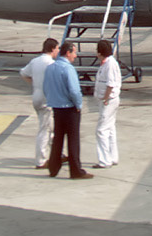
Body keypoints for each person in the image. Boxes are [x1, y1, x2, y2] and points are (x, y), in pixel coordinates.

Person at [43, 42, 93, 179]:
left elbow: (46, 88)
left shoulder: (50, 68)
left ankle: (53, 168)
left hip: (57, 108)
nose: (75, 56)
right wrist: (79, 105)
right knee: (73, 139)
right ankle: (76, 170)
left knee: (58, 138)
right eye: (74, 53)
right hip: (69, 109)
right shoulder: (68, 69)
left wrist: (53, 100)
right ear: (68, 53)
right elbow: (74, 91)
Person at [19, 38, 58, 168]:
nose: (58, 51)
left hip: (36, 96)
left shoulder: (35, 61)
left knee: (51, 127)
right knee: (44, 129)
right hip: (46, 99)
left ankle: (58, 154)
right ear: (52, 49)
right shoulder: (51, 64)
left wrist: (35, 84)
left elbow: (23, 73)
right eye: (57, 48)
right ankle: (40, 161)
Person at [93, 39, 120, 168]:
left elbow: (110, 84)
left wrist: (105, 98)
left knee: (101, 130)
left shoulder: (109, 64)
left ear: (100, 52)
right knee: (110, 128)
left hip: (108, 101)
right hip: (110, 100)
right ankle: (113, 157)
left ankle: (104, 160)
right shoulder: (107, 63)